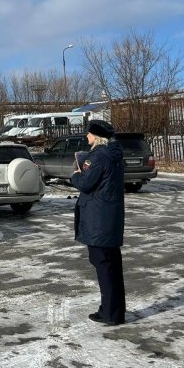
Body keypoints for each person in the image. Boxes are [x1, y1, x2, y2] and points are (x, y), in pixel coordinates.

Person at [70, 119, 126, 326]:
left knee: (104, 267)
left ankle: (111, 313)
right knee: (111, 268)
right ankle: (113, 310)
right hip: (109, 219)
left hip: (98, 221)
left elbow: (86, 183)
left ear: (97, 136)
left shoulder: (98, 156)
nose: (87, 137)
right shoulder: (114, 154)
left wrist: (76, 175)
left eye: (89, 134)